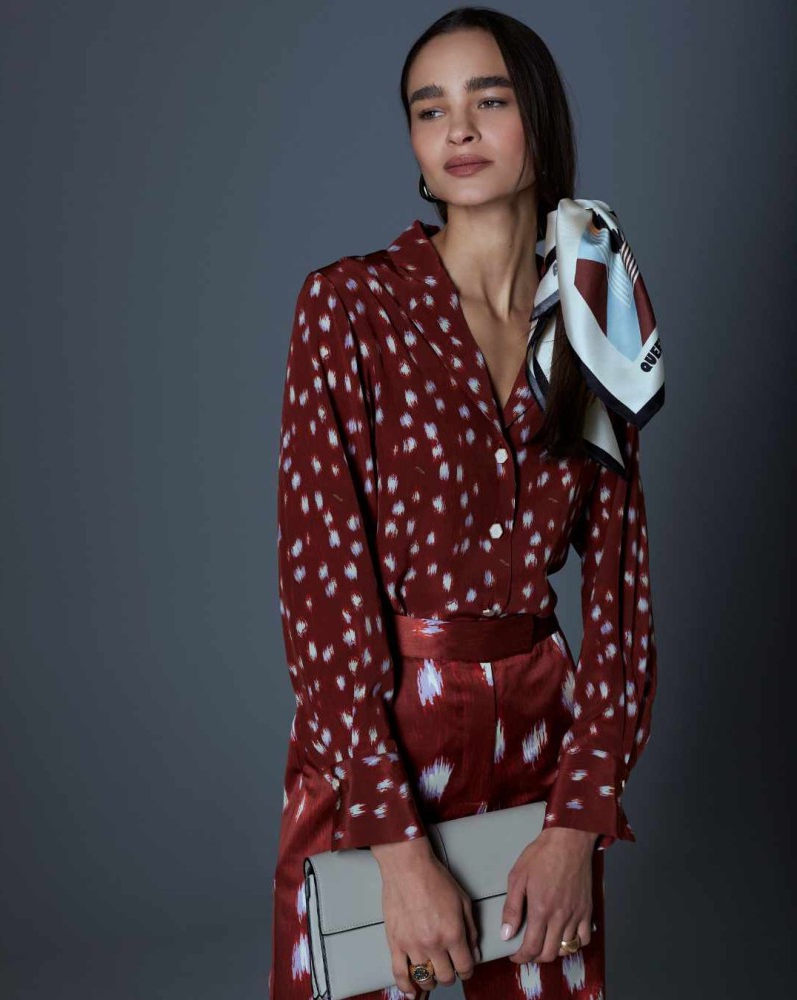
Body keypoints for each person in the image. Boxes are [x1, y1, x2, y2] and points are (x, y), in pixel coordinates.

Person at [269, 7, 659, 999]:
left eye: (488, 100)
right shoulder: (350, 307)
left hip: (542, 751)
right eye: (429, 108)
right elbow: (323, 589)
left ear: (537, 116)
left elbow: (620, 593)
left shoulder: (591, 316)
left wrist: (577, 823)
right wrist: (398, 855)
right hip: (375, 755)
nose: (459, 130)